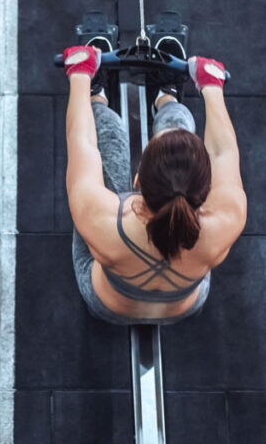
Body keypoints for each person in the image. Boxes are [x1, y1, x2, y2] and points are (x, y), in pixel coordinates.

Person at [62, 37, 247, 325]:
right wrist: (211, 87)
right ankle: (166, 97)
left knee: (108, 142)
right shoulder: (227, 219)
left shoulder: (102, 219)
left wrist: (80, 74)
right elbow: (223, 153)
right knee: (178, 130)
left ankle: (96, 97)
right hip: (183, 307)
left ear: (137, 180)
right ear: (206, 191)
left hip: (108, 305)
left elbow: (81, 141)